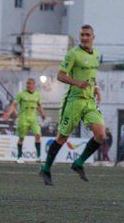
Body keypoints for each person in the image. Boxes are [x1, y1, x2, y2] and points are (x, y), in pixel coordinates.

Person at [39, 25, 106, 186]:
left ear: (93, 37)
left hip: (89, 101)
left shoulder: (96, 54)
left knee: (101, 135)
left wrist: (96, 89)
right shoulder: (73, 54)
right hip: (74, 101)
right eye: (82, 35)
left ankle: (79, 163)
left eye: (87, 35)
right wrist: (77, 83)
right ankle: (46, 169)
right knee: (62, 137)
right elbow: (60, 76)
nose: (84, 37)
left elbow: (91, 76)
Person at [2, 78, 46, 164]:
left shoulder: (37, 94)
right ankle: (19, 157)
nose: (28, 85)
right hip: (23, 118)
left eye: (29, 84)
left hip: (33, 119)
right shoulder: (21, 94)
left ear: (34, 85)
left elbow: (39, 105)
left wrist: (43, 114)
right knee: (21, 138)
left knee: (38, 135)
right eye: (27, 84)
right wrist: (8, 113)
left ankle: (39, 157)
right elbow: (14, 105)